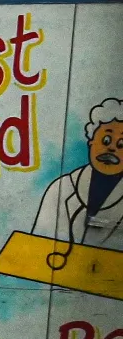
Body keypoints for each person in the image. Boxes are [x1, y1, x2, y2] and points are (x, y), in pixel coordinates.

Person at [33, 98, 123, 250]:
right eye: (106, 140)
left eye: (121, 144)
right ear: (91, 141)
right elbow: (37, 247)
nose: (112, 149)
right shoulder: (62, 189)